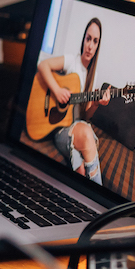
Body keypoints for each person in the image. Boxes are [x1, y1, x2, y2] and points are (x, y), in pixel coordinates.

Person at [35, 18, 111, 185]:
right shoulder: (71, 61)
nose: (90, 45)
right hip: (59, 128)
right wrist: (57, 90)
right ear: (83, 39)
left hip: (76, 126)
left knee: (81, 171)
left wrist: (95, 104)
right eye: (88, 39)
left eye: (95, 41)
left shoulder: (93, 76)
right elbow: (43, 65)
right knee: (86, 131)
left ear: (98, 46)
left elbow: (85, 116)